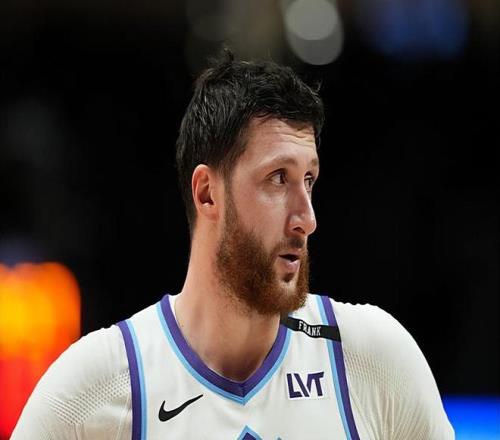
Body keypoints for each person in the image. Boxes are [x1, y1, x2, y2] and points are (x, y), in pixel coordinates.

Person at [12, 51, 454, 440]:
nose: (307, 218)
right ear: (207, 194)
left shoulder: (373, 358)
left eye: (309, 179)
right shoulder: (94, 389)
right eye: (278, 178)